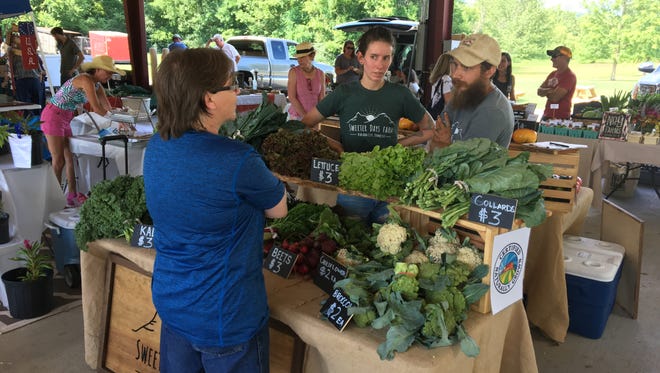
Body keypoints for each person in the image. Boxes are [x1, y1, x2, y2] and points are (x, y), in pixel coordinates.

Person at [143, 48, 287, 373]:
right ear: (209, 99)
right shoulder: (237, 159)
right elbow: (279, 209)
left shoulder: (155, 148)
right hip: (225, 317)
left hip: (173, 304)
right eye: (231, 84)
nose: (237, 92)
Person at [301, 26, 434, 223]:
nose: (380, 65)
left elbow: (430, 128)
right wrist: (335, 145)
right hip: (353, 187)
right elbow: (306, 124)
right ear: (361, 58)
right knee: (351, 243)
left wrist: (397, 146)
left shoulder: (401, 95)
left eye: (386, 58)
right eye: (374, 57)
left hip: (389, 187)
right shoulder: (344, 93)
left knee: (387, 246)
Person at [40, 55, 124, 207]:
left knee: (70, 159)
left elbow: (107, 109)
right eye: (108, 72)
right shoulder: (85, 79)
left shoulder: (97, 85)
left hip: (65, 117)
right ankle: (53, 199)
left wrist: (122, 118)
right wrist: (118, 122)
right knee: (58, 160)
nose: (110, 76)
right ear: (97, 69)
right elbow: (97, 109)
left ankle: (71, 195)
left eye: (112, 73)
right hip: (53, 115)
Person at [430, 33, 515, 151]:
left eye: (466, 67)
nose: (455, 74)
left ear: (489, 71)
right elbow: (436, 140)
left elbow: (468, 165)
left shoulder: (492, 111)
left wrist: (444, 145)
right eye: (455, 64)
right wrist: (440, 144)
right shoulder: (463, 93)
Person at [287, 42, 326, 120]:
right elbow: (292, 97)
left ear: (312, 56)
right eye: (298, 58)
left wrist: (319, 116)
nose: (299, 60)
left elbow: (321, 98)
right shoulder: (293, 72)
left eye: (302, 57)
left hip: (314, 117)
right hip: (297, 117)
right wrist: (306, 117)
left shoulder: (320, 74)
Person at [537, 46, 576, 120]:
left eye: (554, 56)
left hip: (560, 118)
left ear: (564, 58)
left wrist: (545, 91)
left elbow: (555, 98)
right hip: (546, 115)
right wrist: (550, 91)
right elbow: (539, 91)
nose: (551, 59)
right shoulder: (552, 74)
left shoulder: (569, 76)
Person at [427, 53, 453, 120]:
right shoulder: (446, 79)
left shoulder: (437, 78)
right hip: (443, 117)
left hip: (434, 114)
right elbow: (449, 102)